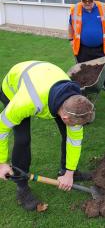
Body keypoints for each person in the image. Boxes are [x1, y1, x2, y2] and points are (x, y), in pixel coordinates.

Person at [0, 61, 95, 210]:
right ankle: (22, 187)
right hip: (14, 87)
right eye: (74, 124)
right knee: (22, 139)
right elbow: (1, 128)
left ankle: (66, 171)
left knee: (67, 133)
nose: (76, 128)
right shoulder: (26, 102)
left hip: (46, 76)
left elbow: (74, 140)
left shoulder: (75, 101)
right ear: (65, 118)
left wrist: (69, 172)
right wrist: (1, 162)